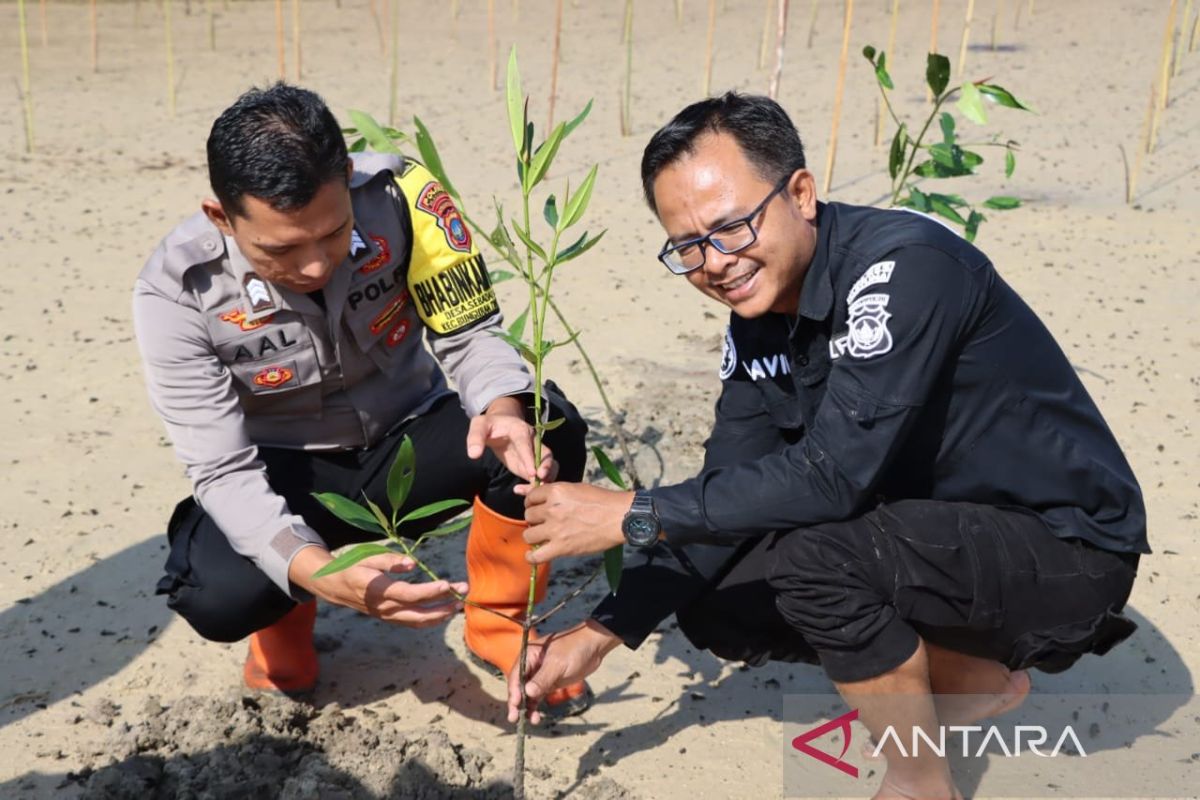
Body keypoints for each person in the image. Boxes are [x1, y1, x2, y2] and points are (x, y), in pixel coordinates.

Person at [505, 93, 1146, 798]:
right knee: (714, 595)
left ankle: (920, 782)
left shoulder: (905, 269)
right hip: (928, 536)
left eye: (732, 227)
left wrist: (628, 512)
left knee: (816, 559)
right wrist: (598, 634)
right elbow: (731, 484)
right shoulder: (758, 316)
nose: (714, 262)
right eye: (687, 246)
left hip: (1063, 548)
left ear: (801, 194)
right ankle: (970, 683)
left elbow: (832, 477)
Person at [133, 83, 591, 717]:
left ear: (347, 178)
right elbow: (223, 469)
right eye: (281, 249)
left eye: (332, 233)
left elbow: (469, 333)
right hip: (290, 469)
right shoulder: (176, 293)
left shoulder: (406, 201)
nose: (317, 265)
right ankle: (282, 638)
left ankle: (498, 624)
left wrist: (501, 410)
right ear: (221, 217)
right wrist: (320, 572)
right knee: (218, 592)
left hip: (413, 431)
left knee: (546, 427)